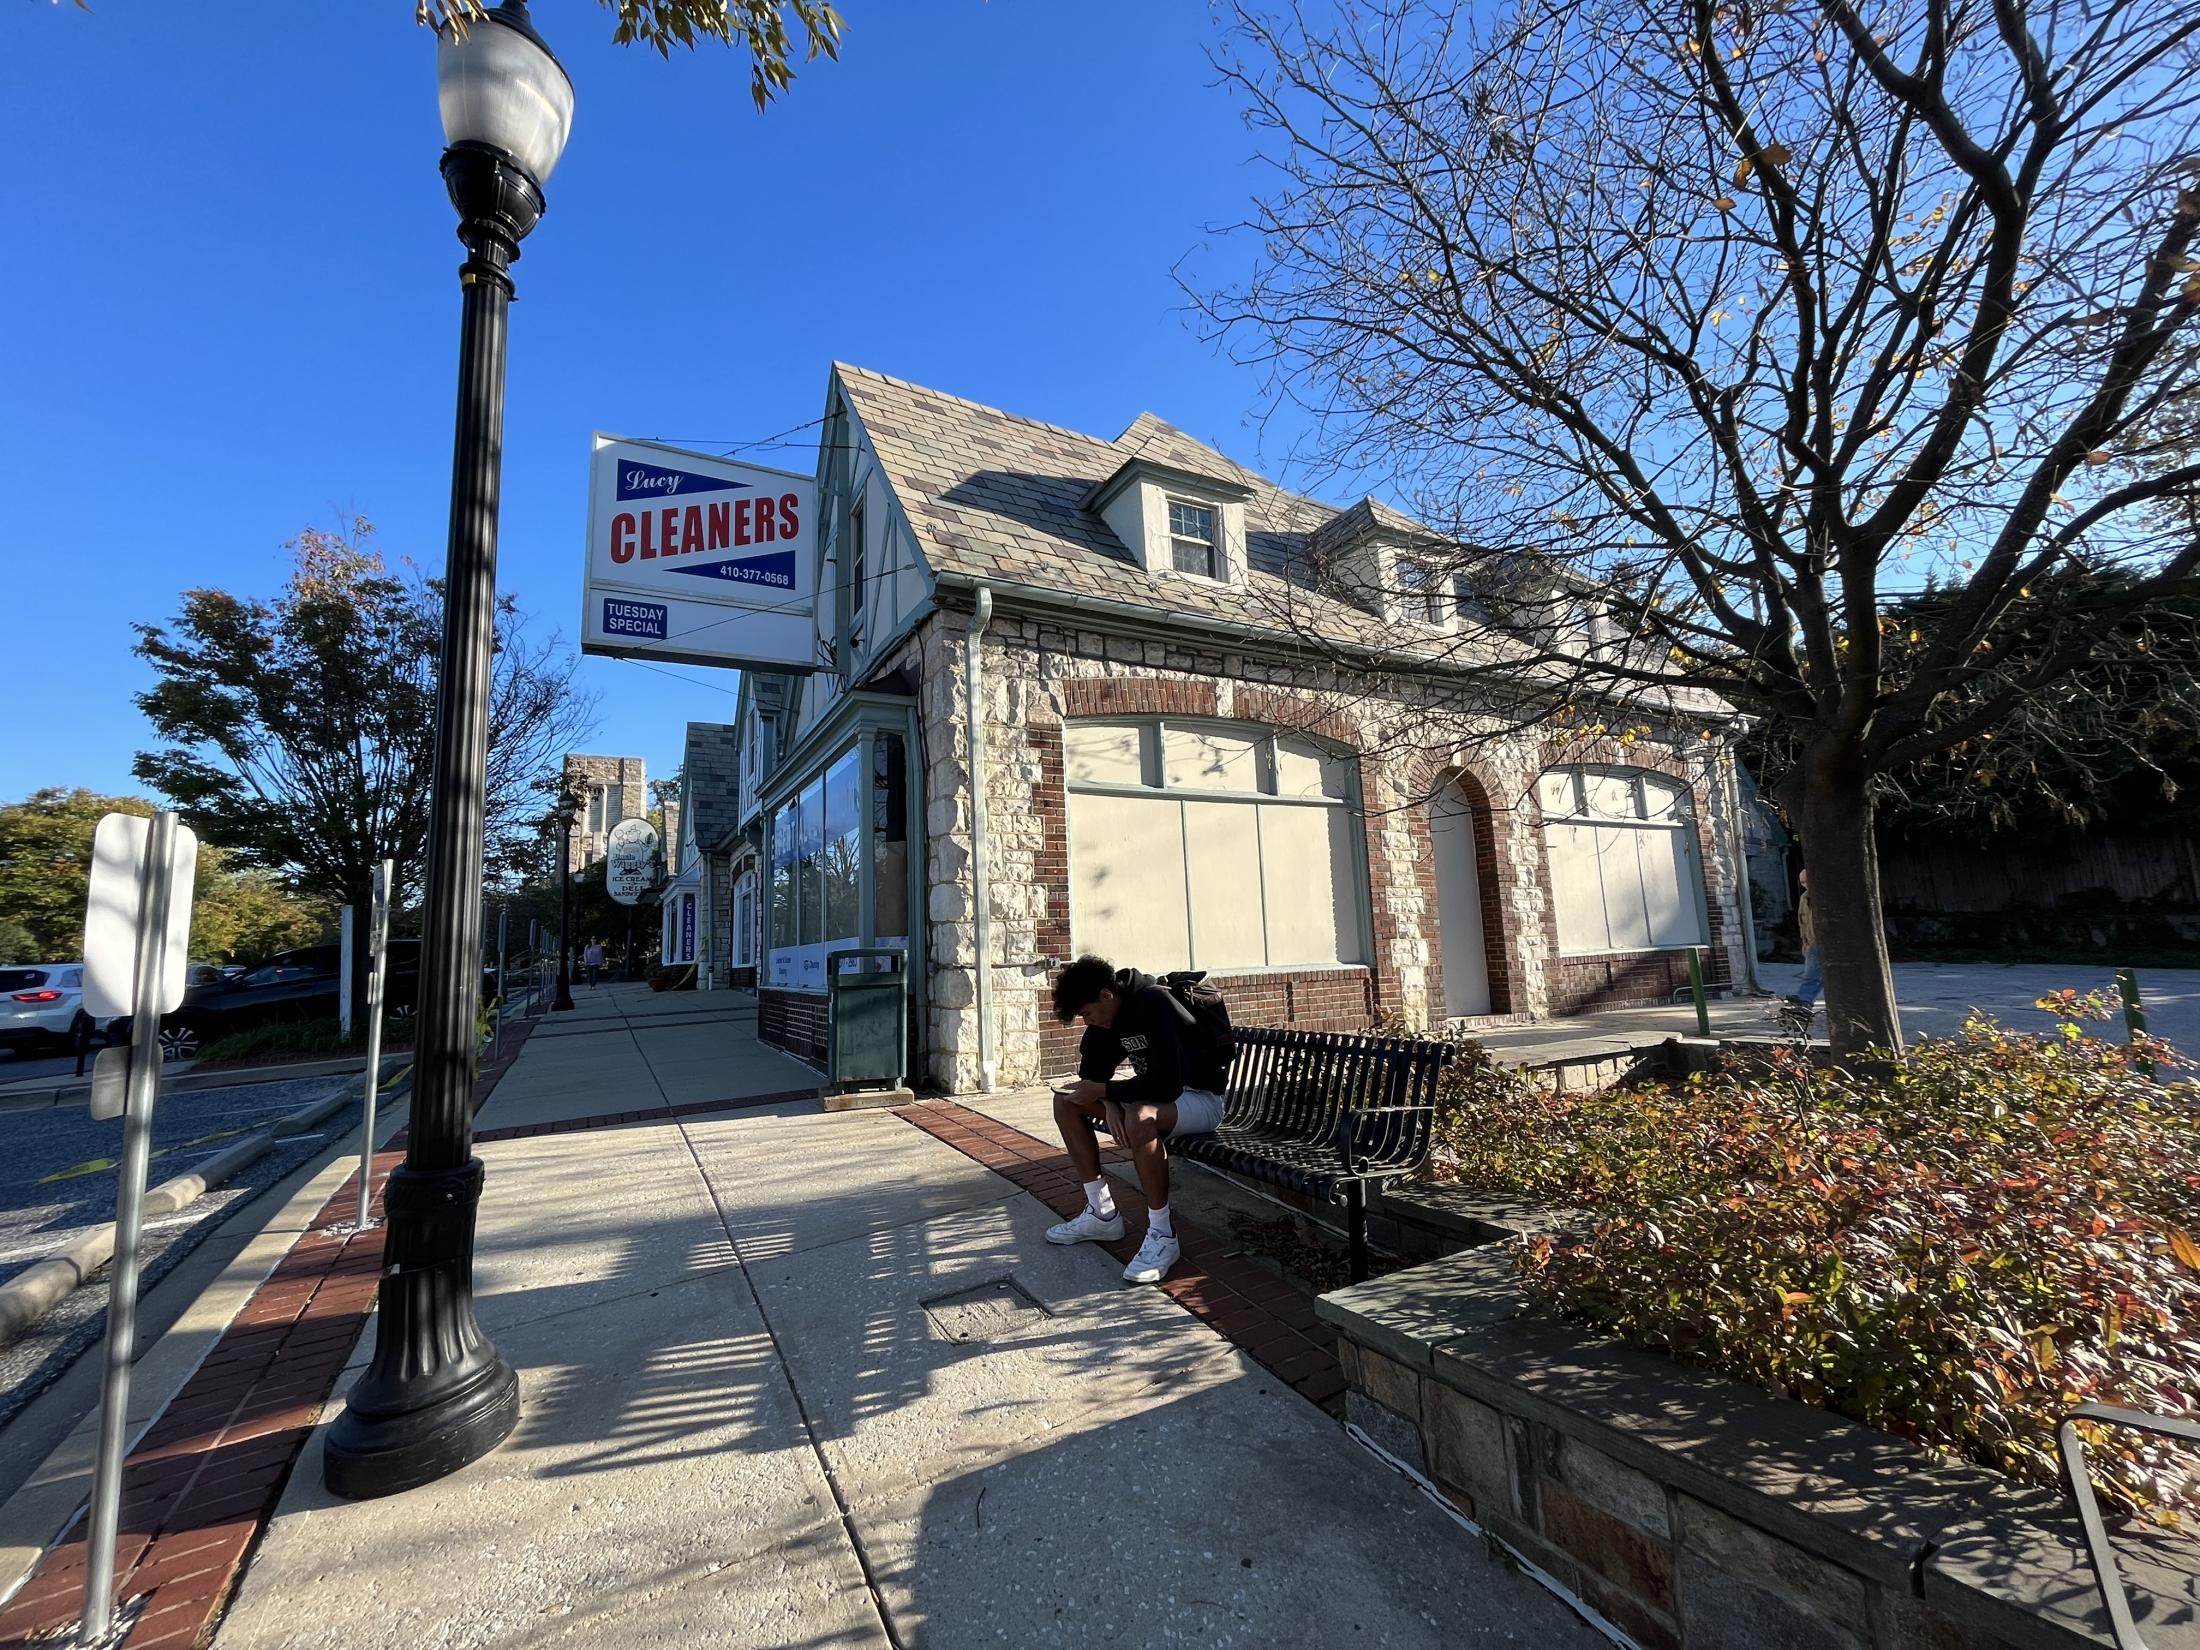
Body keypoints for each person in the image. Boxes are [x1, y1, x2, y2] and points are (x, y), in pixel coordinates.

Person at [1045, 955, 1226, 1284]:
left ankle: (1163, 1236)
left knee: (1140, 1117)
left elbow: (1167, 1083)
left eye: (1087, 1012)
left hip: (1199, 1099)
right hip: (1158, 1100)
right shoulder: (1108, 1019)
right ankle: (1102, 1214)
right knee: (1066, 1103)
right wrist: (1108, 1099)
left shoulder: (1154, 1002)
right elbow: (1091, 1074)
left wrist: (1111, 1093)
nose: (1087, 1021)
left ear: (1106, 995)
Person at [1789, 869, 1821, 1012]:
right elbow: (1803, 922)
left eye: (1807, 881)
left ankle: (1805, 999)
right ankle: (1804, 999)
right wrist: (1805, 942)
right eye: (1802, 882)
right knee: (1812, 973)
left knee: (1812, 973)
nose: (1805, 885)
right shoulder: (1804, 898)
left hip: (1820, 941)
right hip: (1811, 942)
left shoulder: (1823, 896)